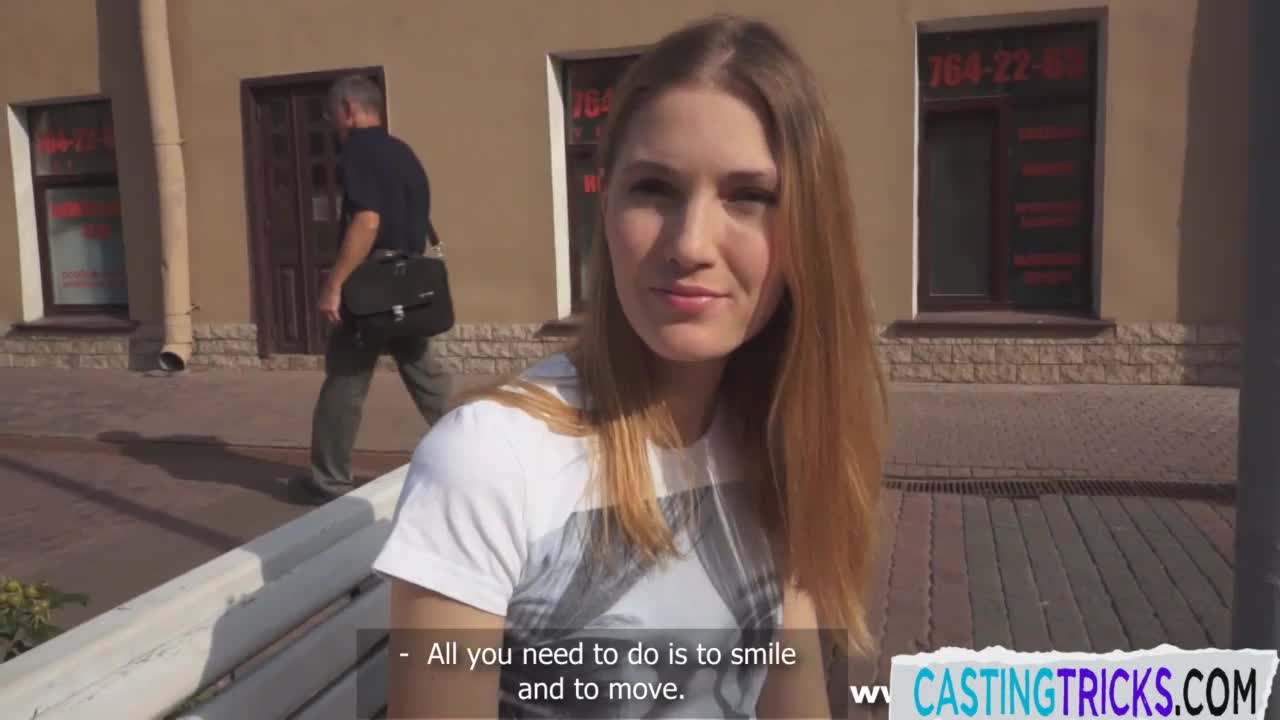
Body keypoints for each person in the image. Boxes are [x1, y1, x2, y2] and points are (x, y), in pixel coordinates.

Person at [371, 14, 887, 718]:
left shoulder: (783, 438)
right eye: (654, 189)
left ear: (811, 229)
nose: (691, 243)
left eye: (749, 196)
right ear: (606, 205)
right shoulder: (490, 461)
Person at [289, 75, 450, 505]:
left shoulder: (358, 151)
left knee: (345, 381)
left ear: (347, 109)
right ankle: (481, 453)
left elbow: (367, 222)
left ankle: (329, 482)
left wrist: (335, 285)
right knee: (429, 380)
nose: (329, 122)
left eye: (330, 113)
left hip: (371, 290)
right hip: (407, 287)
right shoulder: (403, 152)